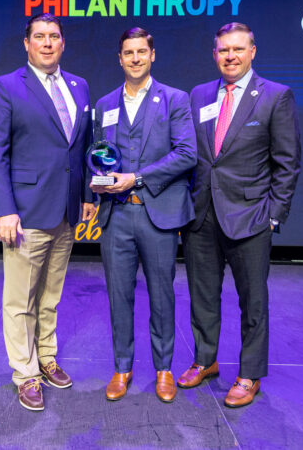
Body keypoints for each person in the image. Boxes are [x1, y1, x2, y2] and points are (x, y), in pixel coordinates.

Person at [178, 22, 301, 408]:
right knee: (202, 296)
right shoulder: (199, 95)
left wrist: (274, 215)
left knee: (253, 301)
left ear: (252, 52)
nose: (230, 56)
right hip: (202, 217)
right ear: (214, 54)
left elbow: (287, 162)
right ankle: (205, 359)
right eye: (223, 50)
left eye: (238, 49)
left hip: (251, 218)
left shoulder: (275, 97)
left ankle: (249, 374)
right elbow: (194, 156)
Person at [0, 13, 95, 411]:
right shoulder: (7, 86)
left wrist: (84, 196)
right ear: (26, 43)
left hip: (66, 211)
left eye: (54, 36)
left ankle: (46, 358)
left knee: (50, 295)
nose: (47, 43)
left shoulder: (79, 86)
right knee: (20, 301)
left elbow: (82, 147)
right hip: (26, 213)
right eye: (40, 37)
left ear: (63, 43)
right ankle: (25, 373)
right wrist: (5, 209)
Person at [91, 27, 197, 403]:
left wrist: (136, 177)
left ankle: (164, 368)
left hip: (158, 216)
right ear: (119, 59)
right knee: (118, 296)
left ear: (152, 55)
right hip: (115, 216)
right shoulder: (104, 105)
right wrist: (99, 180)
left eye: (141, 51)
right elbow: (99, 154)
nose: (135, 58)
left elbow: (187, 153)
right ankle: (122, 368)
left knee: (161, 296)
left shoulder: (175, 100)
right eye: (128, 52)